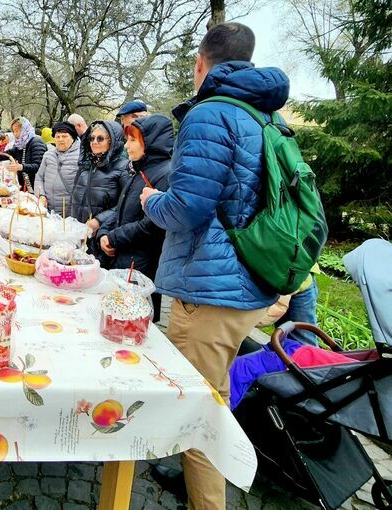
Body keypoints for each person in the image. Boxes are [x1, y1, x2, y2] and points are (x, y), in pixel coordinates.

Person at [140, 22, 284, 509]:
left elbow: (187, 209)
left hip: (210, 290)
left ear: (201, 63)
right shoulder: (266, 116)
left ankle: (207, 499)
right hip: (253, 281)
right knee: (214, 399)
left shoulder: (210, 113)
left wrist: (151, 201)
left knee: (196, 411)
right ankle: (203, 481)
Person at [96, 115, 174, 323]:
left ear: (150, 142)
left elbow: (152, 224)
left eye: (133, 140)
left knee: (130, 325)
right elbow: (120, 209)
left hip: (140, 266)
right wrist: (104, 233)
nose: (127, 145)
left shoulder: (165, 174)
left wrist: (114, 238)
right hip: (121, 259)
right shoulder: (139, 170)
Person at [70, 120, 127, 238]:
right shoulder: (85, 165)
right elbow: (74, 197)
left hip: (103, 234)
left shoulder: (123, 167)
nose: (94, 142)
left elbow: (126, 204)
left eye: (100, 138)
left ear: (112, 142)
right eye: (91, 138)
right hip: (78, 232)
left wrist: (99, 220)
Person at [0, 117, 48, 190]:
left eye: (17, 131)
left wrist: (21, 167)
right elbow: (3, 155)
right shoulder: (21, 144)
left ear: (25, 129)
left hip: (38, 188)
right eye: (14, 131)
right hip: (26, 186)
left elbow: (38, 166)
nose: (15, 134)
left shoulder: (37, 142)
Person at [34, 121, 80, 214]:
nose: (60, 139)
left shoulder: (80, 157)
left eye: (64, 136)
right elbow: (39, 177)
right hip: (47, 210)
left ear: (72, 138)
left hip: (69, 213)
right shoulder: (48, 155)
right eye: (57, 137)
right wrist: (41, 195)